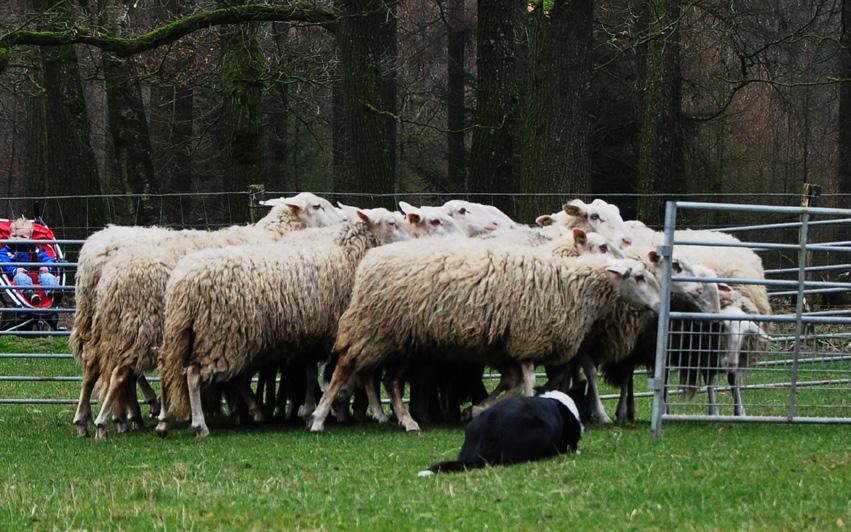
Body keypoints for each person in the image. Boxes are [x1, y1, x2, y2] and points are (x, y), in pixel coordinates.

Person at [0, 216, 58, 304]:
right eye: (14, 236)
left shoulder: (36, 249)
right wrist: (14, 270)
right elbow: (5, 263)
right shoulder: (5, 251)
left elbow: (47, 258)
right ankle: (30, 294)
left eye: (22, 237)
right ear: (8, 237)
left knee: (48, 277)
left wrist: (47, 267)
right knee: (20, 277)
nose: (17, 239)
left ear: (30, 238)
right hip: (18, 276)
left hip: (38, 276)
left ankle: (54, 293)